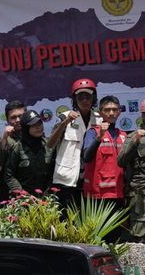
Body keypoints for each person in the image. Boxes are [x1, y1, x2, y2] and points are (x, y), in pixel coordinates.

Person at [48, 78, 102, 209]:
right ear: (74, 99)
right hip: (67, 178)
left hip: (91, 177)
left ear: (93, 98)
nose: (84, 100)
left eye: (88, 97)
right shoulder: (64, 116)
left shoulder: (99, 118)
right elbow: (50, 144)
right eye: (80, 97)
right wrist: (64, 123)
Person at [117, 96, 145, 244]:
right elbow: (121, 161)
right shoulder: (134, 136)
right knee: (140, 228)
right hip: (140, 189)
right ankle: (138, 265)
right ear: (144, 116)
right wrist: (134, 142)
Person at [82, 95, 127, 204]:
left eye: (115, 109)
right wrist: (99, 138)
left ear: (119, 112)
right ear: (100, 112)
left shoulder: (124, 135)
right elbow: (86, 158)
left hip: (119, 193)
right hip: (97, 195)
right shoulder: (92, 132)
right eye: (107, 110)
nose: (111, 113)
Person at [3, 110, 54, 195]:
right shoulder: (18, 147)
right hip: (23, 200)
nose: (38, 127)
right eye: (33, 125)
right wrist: (22, 194)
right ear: (26, 128)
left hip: (46, 199)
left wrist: (48, 193)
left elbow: (54, 172)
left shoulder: (49, 145)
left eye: (39, 123)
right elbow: (9, 175)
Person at [0, 100, 25, 205]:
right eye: (13, 117)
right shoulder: (5, 139)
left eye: (21, 116)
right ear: (7, 120)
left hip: (33, 191)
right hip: (9, 194)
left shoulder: (37, 135)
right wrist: (4, 137)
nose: (18, 120)